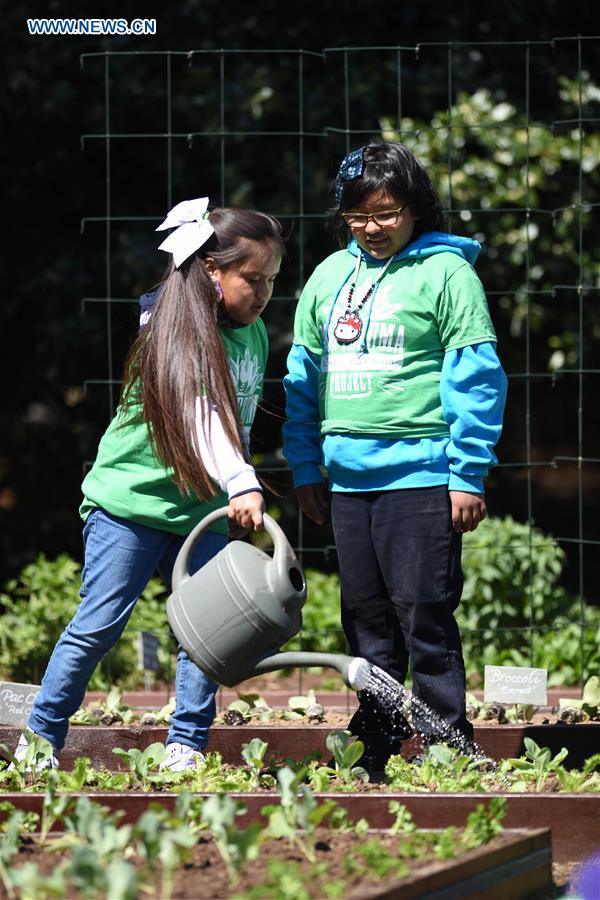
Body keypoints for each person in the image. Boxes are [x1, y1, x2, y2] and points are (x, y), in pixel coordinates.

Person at [14, 198, 284, 772]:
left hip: (202, 509)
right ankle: (39, 742)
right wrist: (241, 479)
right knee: (97, 625)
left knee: (205, 633)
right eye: (251, 279)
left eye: (271, 281)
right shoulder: (170, 327)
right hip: (131, 503)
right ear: (211, 272)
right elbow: (199, 412)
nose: (262, 294)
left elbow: (238, 414)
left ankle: (185, 744)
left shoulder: (254, 333)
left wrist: (230, 482)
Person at [283, 142, 507, 776]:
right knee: (366, 620)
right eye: (358, 216)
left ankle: (445, 743)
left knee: (425, 611)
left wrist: (467, 471)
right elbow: (303, 379)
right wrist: (305, 468)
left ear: (415, 209)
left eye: (387, 213)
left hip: (423, 475)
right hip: (347, 482)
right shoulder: (328, 278)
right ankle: (374, 741)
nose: (372, 228)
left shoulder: (448, 274)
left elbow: (476, 378)